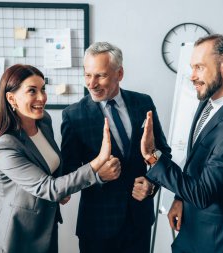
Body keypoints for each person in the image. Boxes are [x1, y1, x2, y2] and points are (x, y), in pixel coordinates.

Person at [139, 34, 223, 253]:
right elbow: (196, 160)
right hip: (191, 230)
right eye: (192, 67)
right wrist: (179, 199)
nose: (192, 76)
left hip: (218, 242)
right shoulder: (209, 100)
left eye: (199, 67)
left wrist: (152, 156)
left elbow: (203, 192)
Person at [0, 64, 120, 253]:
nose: (42, 97)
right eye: (32, 91)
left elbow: (52, 164)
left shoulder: (43, 121)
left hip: (46, 227)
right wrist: (98, 162)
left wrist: (64, 186)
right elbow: (48, 187)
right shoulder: (5, 146)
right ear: (11, 98)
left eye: (43, 89)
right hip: (19, 236)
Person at [61, 42, 171, 253]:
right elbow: (68, 172)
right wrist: (97, 175)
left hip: (139, 220)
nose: (91, 84)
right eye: (87, 75)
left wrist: (152, 183)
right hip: (97, 226)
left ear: (119, 73)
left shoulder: (143, 103)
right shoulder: (73, 115)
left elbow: (162, 151)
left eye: (100, 76)